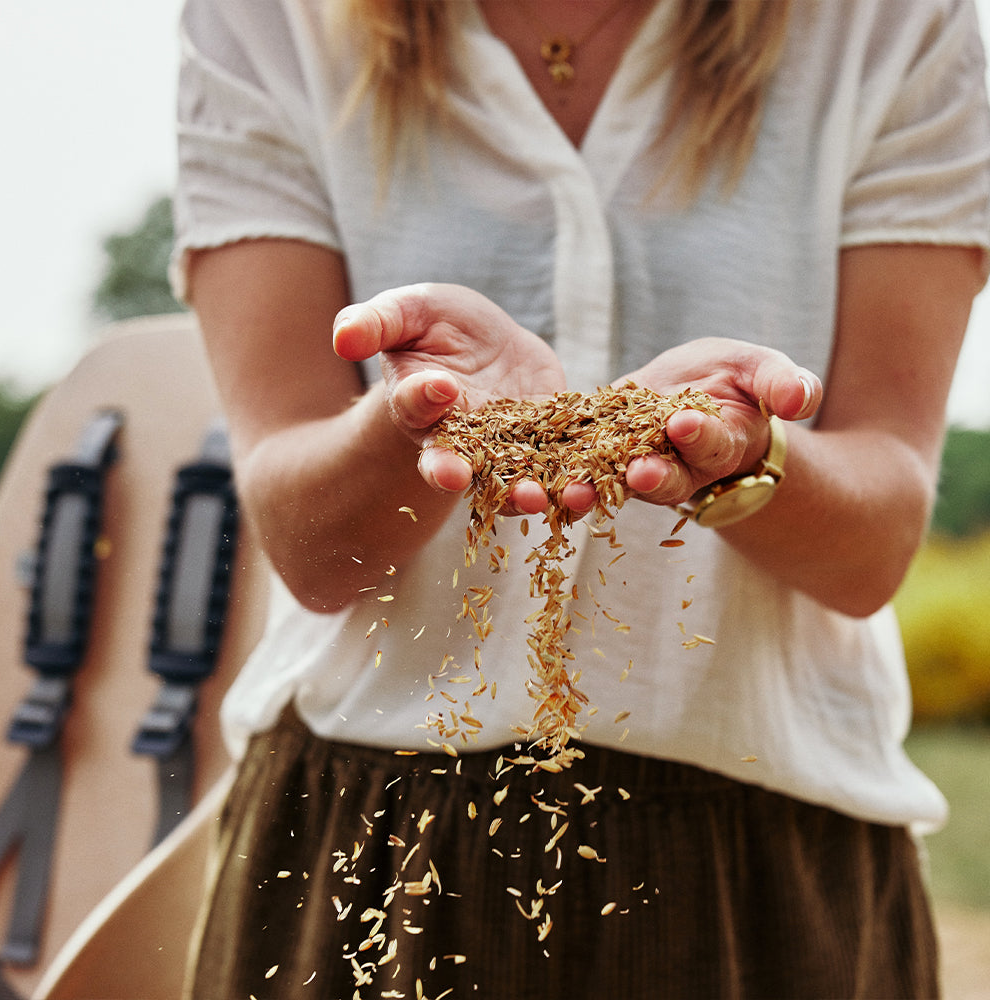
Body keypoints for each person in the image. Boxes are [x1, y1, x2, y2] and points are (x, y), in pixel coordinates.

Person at [171, 0, 990, 996]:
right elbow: (311, 551)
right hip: (375, 839)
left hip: (761, 855)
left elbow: (873, 551)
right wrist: (412, 424)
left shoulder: (893, 25)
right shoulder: (269, 21)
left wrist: (745, 451)